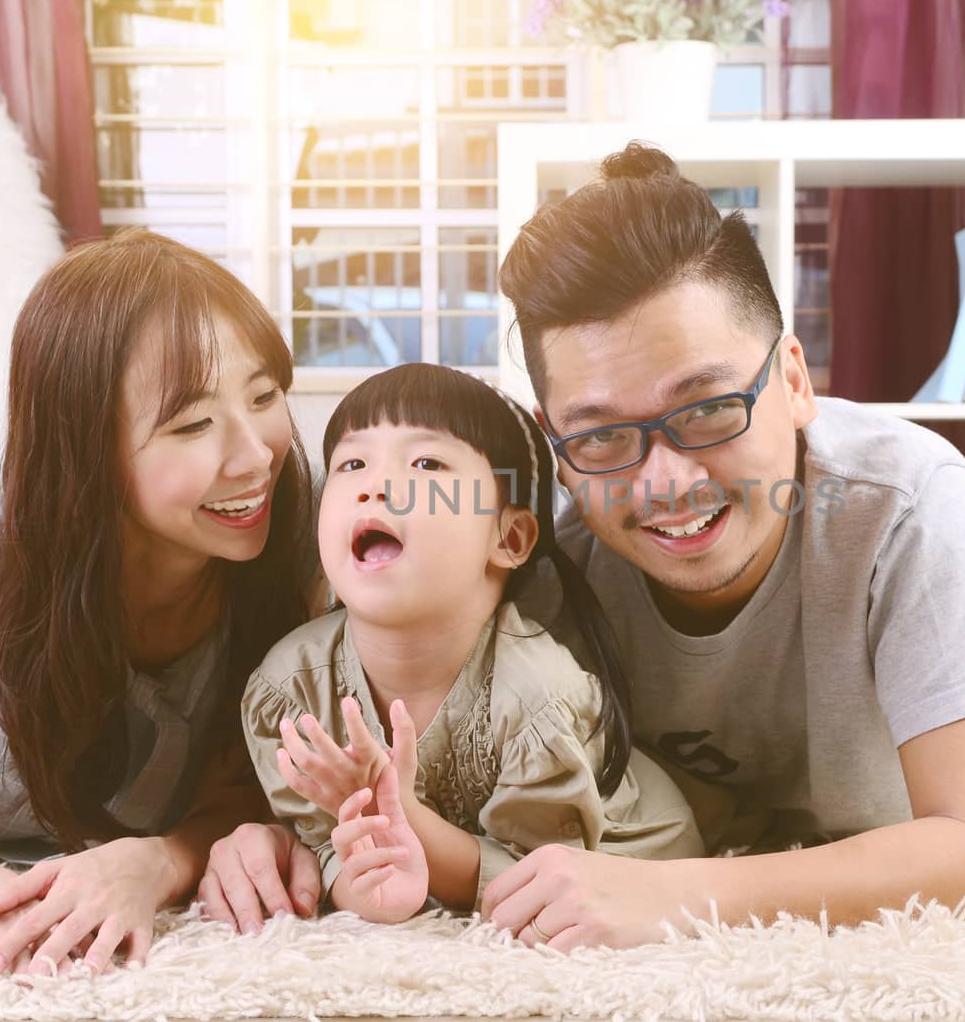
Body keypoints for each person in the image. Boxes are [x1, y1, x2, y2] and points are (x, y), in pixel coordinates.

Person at [205, 142, 965, 950]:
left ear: (793, 377)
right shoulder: (547, 537)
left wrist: (671, 898)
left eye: (706, 410)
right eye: (602, 437)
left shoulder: (910, 495)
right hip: (869, 651)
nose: (664, 479)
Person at [0, 230, 321, 976]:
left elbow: (248, 797)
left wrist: (157, 863)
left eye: (265, 396)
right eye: (191, 424)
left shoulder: (296, 536)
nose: (254, 457)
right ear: (87, 445)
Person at [240, 363, 702, 923]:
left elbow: (538, 878)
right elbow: (320, 839)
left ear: (508, 538)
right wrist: (350, 880)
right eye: (352, 463)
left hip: (621, 858)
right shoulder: (290, 689)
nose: (374, 484)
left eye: (427, 463)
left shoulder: (538, 697)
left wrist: (400, 814)